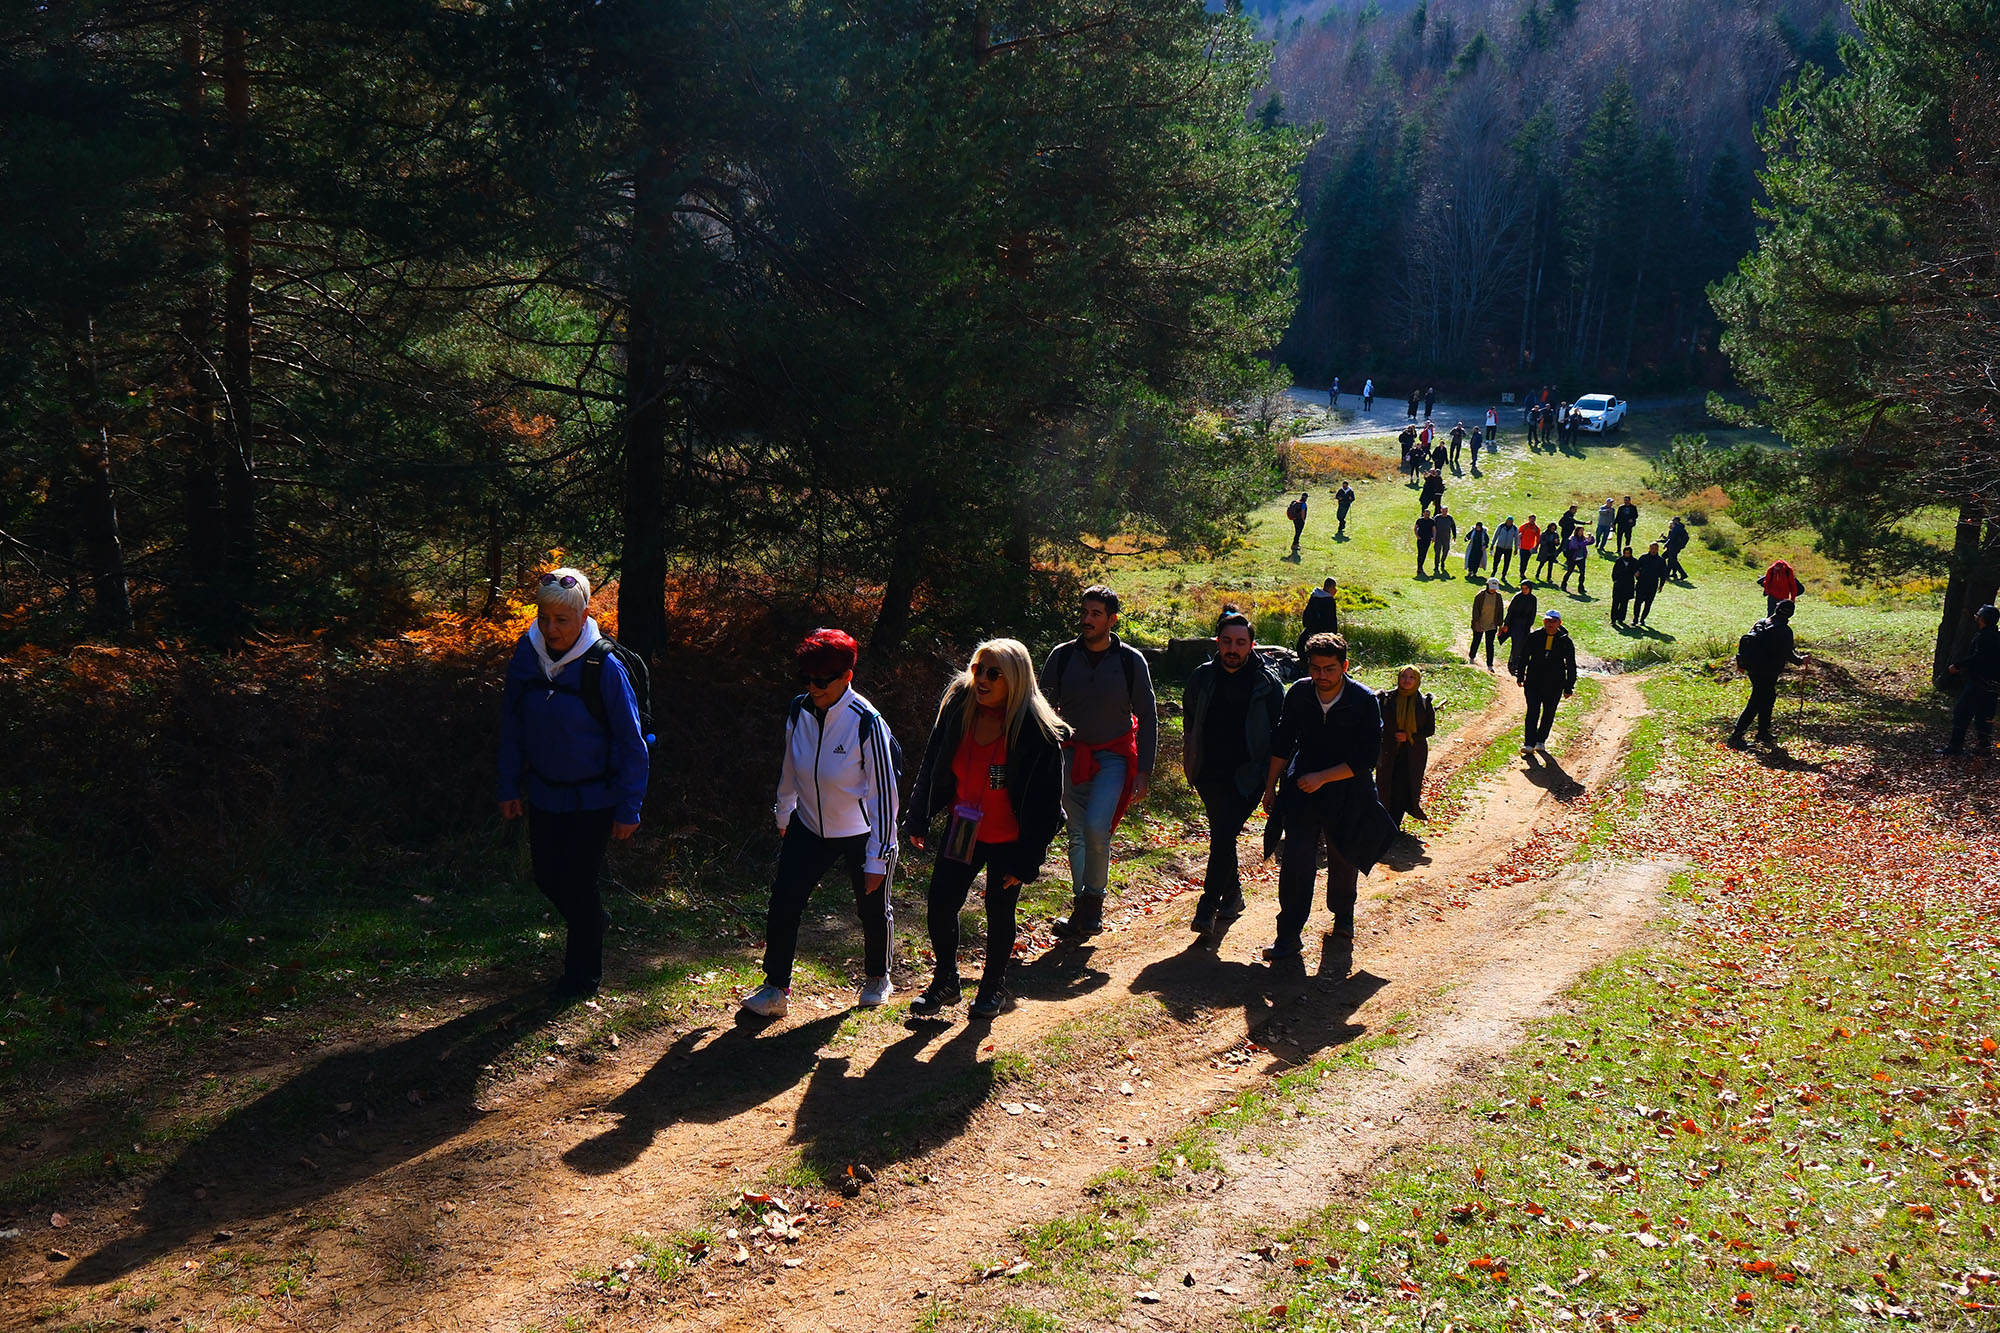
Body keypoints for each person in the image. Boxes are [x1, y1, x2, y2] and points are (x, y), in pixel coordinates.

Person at [498, 568, 649, 1001]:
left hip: (595, 798)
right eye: (545, 617)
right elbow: (512, 728)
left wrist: (629, 807)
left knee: (579, 883)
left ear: (583, 618)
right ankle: (592, 922)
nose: (551, 628)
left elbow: (631, 742)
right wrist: (508, 785)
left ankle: (582, 978)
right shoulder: (526, 658)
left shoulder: (605, 666)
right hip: (545, 793)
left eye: (562, 620)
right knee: (548, 876)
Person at [904, 640, 1069, 1019]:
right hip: (965, 828)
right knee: (941, 903)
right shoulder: (959, 706)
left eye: (994, 673)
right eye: (978, 669)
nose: (982, 679)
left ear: (1014, 680)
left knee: (999, 910)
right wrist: (919, 816)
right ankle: (946, 981)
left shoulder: (1036, 730)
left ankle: (992, 988)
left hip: (1011, 837)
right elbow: (934, 762)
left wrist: (1029, 859)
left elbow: (1046, 803)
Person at [742, 628, 901, 1018]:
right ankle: (775, 988)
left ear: (847, 676)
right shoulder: (799, 710)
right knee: (784, 901)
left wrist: (878, 856)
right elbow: (790, 766)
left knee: (871, 906)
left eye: (822, 680)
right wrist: (784, 811)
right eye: (806, 678)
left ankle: (878, 976)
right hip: (808, 825)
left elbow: (885, 794)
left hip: (860, 833)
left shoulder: (867, 722)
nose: (813, 687)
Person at [1262, 633, 1394, 961]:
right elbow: (1282, 741)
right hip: (1303, 789)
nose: (1322, 675)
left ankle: (1343, 915)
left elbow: (1367, 759)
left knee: (1343, 858)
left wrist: (1322, 777)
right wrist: (1270, 787)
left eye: (1330, 669)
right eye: (1316, 668)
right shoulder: (1300, 694)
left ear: (1344, 666)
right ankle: (1288, 935)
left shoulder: (1363, 700)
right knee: (1295, 861)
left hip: (1348, 789)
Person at [1039, 586, 1158, 939]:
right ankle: (1084, 908)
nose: (1087, 619)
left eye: (1096, 614)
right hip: (1070, 756)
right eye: (1085, 612)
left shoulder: (1130, 661)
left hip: (1114, 755)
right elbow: (1042, 711)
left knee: (1095, 826)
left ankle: (1094, 899)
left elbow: (1148, 716)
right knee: (1075, 831)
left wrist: (1145, 772)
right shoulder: (1061, 657)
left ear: (1112, 619)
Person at [1183, 613, 1285, 936]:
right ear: (1218, 643)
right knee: (1222, 835)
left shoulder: (1268, 684)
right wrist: (1191, 765)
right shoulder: (1201, 678)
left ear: (1251, 645)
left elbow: (1281, 739)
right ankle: (1233, 895)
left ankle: (1207, 905)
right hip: (1209, 774)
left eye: (1240, 643)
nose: (1233, 648)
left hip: (1249, 776)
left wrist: (1272, 784)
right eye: (1227, 641)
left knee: (1223, 835)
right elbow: (1189, 725)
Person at [1728, 601, 1810, 748]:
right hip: (1769, 670)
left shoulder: (1761, 623)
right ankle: (1737, 735)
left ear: (1776, 609)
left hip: (1754, 668)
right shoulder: (1784, 630)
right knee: (1757, 701)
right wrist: (1801, 661)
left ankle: (1763, 732)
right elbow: (1787, 653)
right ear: (1791, 614)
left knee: (1768, 697)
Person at [1378, 666, 1435, 830]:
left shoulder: (1423, 703)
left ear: (1417, 680)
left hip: (1412, 752)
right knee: (1385, 784)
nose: (1407, 680)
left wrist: (1409, 736)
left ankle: (1393, 825)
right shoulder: (1387, 699)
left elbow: (1429, 730)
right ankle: (1383, 822)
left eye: (1411, 677)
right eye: (1404, 676)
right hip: (1389, 750)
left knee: (1403, 788)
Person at [1939, 604, 2000, 755]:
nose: (1977, 619)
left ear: (1983, 619)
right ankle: (1983, 746)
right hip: (1994, 685)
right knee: (1984, 715)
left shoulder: (1984, 637)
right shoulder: (1997, 636)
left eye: (1978, 616)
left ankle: (1955, 745)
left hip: (1979, 682)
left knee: (1961, 712)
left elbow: (1978, 658)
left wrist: (1958, 666)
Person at [1519, 610, 1577, 754]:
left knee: (1549, 712)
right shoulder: (1534, 637)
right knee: (1532, 711)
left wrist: (1569, 686)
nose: (1550, 624)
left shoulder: (1565, 641)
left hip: (1555, 683)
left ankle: (1541, 740)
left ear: (1559, 623)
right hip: (1533, 681)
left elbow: (1571, 665)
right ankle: (1529, 744)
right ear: (1544, 622)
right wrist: (1520, 676)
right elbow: (1524, 657)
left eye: (1553, 621)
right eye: (1548, 621)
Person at [1503, 580, 1539, 682]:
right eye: (1522, 588)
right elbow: (1510, 611)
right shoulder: (1517, 597)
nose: (1524, 590)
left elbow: (1533, 613)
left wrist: (1529, 624)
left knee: (1523, 644)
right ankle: (1513, 663)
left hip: (1525, 625)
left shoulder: (1533, 599)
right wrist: (1506, 624)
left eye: (1526, 588)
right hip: (1515, 624)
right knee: (1516, 643)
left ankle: (1519, 663)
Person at [1469, 578, 1505, 669]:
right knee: (1476, 641)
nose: (1493, 590)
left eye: (1495, 588)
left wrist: (1500, 625)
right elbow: (1475, 610)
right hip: (1480, 623)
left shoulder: (1498, 597)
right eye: (1491, 587)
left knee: (1490, 644)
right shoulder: (1480, 596)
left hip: (1491, 624)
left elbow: (1500, 611)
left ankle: (1490, 664)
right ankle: (1471, 658)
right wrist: (1477, 623)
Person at [1298, 577, 1340, 652]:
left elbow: (1306, 615)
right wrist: (1334, 636)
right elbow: (1331, 621)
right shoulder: (1329, 601)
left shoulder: (1314, 597)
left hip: (1309, 631)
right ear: (1333, 588)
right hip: (1322, 634)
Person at [1633, 542, 1669, 626]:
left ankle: (1642, 619)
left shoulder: (1661, 561)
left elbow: (1663, 574)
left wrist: (1661, 585)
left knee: (1648, 603)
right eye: (1652, 548)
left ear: (1658, 550)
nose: (1653, 550)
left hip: (1652, 585)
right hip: (1641, 583)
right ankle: (1635, 618)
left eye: (1655, 549)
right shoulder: (1643, 557)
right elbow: (1636, 567)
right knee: (1638, 602)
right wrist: (1636, 572)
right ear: (1649, 548)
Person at [1609, 549, 1638, 627]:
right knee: (1615, 602)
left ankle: (1621, 619)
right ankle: (1613, 619)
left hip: (1628, 585)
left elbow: (1636, 572)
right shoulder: (1619, 560)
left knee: (1624, 603)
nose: (1627, 555)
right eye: (1626, 553)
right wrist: (1615, 580)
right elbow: (1614, 572)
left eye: (1628, 553)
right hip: (1619, 584)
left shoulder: (1634, 561)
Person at [1560, 529, 1590, 593]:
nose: (1582, 532)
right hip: (1573, 558)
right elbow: (1575, 546)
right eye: (1580, 531)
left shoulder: (1583, 538)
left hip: (1581, 558)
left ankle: (1581, 587)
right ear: (1577, 531)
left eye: (1583, 531)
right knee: (1569, 571)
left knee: (1582, 573)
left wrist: (1590, 538)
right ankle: (1563, 584)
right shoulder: (1572, 538)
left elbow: (1590, 542)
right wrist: (1585, 542)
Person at [1491, 516, 1520, 583]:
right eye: (1508, 521)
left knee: (1507, 563)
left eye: (1511, 521)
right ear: (1506, 521)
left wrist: (1516, 549)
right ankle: (1494, 571)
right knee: (1496, 560)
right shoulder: (1501, 526)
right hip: (1499, 547)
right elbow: (1496, 535)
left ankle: (1503, 575)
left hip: (1508, 548)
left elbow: (1516, 539)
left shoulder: (1515, 529)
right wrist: (1492, 544)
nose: (1509, 522)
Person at [1432, 503, 1458, 575]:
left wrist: (1454, 535)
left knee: (1446, 550)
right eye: (1443, 510)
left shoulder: (1449, 518)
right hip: (1438, 537)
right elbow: (1433, 527)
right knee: (1437, 551)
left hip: (1446, 537)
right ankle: (1436, 565)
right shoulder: (1437, 518)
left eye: (1446, 511)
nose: (1445, 512)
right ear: (1441, 510)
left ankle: (1442, 561)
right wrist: (1433, 536)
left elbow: (1453, 526)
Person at [1413, 509, 1436, 577]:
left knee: (1424, 553)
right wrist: (1417, 536)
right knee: (1420, 553)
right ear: (1423, 514)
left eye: (1428, 514)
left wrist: (1434, 537)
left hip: (1427, 539)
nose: (1427, 516)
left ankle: (1421, 566)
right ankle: (1419, 567)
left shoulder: (1431, 521)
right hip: (1420, 539)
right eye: (1426, 514)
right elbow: (1415, 528)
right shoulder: (1420, 520)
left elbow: (1434, 529)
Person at [1287, 491, 1309, 556]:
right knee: (1298, 532)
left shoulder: (1296, 502)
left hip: (1295, 519)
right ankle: (1295, 544)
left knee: (1297, 531)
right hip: (1300, 520)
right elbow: (1303, 513)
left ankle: (1297, 543)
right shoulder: (1303, 504)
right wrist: (1303, 520)